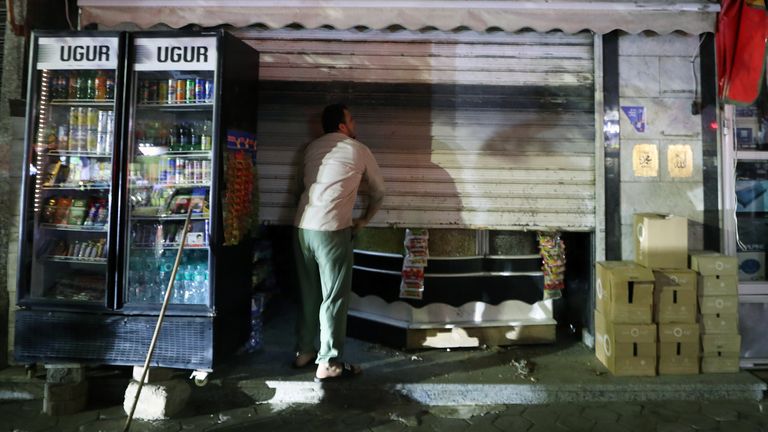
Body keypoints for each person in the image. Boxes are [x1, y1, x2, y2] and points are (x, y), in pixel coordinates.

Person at [292, 103, 385, 381]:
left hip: (301, 228)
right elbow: (379, 191)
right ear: (343, 126)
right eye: (352, 119)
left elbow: (301, 184)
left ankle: (304, 352)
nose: (355, 124)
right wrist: (365, 219)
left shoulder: (311, 148)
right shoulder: (357, 149)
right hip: (331, 230)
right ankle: (329, 361)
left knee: (309, 294)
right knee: (333, 297)